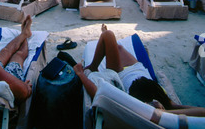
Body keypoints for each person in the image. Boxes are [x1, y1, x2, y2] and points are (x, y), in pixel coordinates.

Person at [74, 25, 205, 117]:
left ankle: (93, 65)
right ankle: (105, 37)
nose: (156, 105)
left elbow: (99, 94)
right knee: (118, 46)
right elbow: (202, 112)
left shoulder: (137, 107)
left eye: (155, 107)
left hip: (121, 73)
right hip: (138, 68)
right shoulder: (168, 104)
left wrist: (81, 74)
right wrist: (164, 109)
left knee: (108, 36)